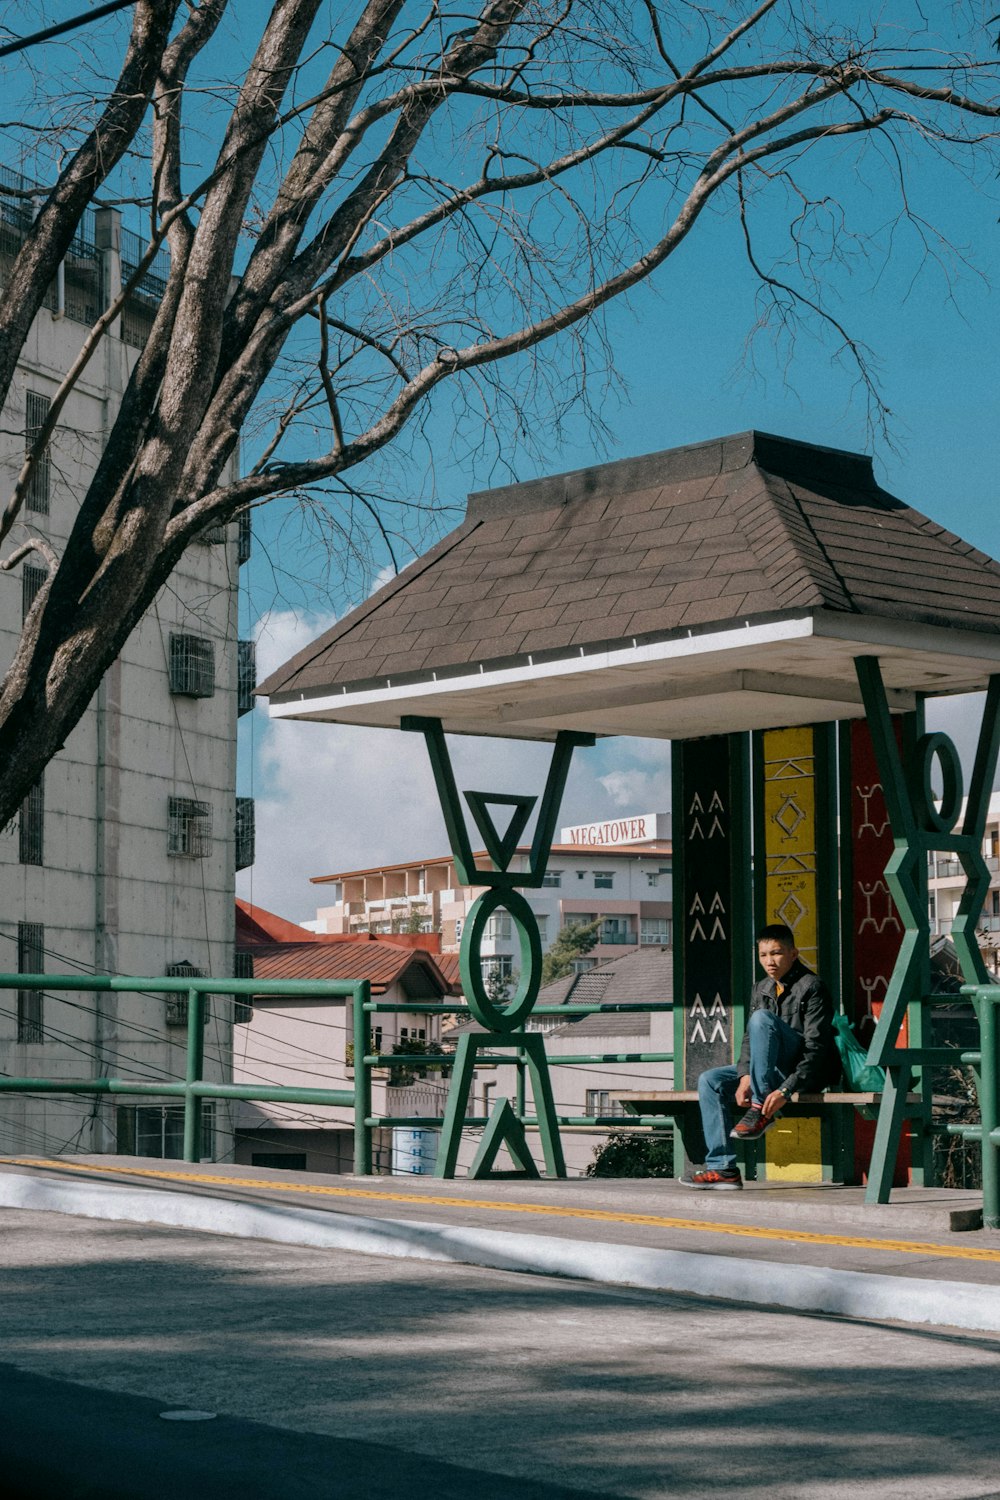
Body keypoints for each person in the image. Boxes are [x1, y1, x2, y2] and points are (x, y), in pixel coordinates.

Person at [679, 923, 840, 1190]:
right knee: (710, 1080)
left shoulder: (812, 986)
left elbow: (816, 1047)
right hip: (767, 1072)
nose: (770, 961)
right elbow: (748, 1040)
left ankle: (760, 1107)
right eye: (763, 955)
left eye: (776, 953)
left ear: (793, 953)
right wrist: (744, 1076)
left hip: (802, 1071)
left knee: (762, 1019)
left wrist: (786, 1089)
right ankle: (723, 1169)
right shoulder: (761, 988)